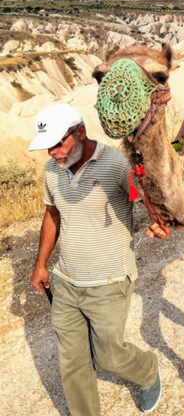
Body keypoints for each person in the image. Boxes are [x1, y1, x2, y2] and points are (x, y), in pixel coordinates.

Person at [28, 103, 162, 415]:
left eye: (58, 143)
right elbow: (52, 214)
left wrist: (154, 222)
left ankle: (147, 370)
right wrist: (40, 264)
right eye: (48, 147)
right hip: (66, 281)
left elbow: (145, 202)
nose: (53, 153)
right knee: (72, 363)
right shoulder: (52, 171)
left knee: (109, 357)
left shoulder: (115, 165)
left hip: (110, 281)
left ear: (81, 132)